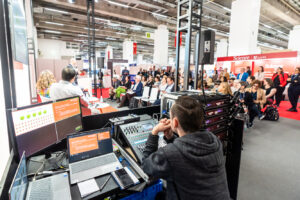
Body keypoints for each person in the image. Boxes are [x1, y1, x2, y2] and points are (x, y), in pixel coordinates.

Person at [142, 96, 230, 200]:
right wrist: (171, 138)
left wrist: (154, 133)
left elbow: (146, 167)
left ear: (174, 122)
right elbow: (188, 150)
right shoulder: (214, 141)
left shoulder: (170, 155)